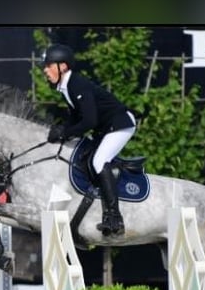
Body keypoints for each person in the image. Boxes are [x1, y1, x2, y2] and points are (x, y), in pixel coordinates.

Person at [41, 43, 137, 236]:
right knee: (87, 157)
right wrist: (63, 129)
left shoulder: (76, 84)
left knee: (98, 161)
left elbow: (89, 121)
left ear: (63, 67)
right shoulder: (66, 86)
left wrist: (65, 133)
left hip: (119, 125)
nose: (45, 70)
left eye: (49, 65)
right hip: (106, 128)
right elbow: (77, 118)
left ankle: (114, 217)